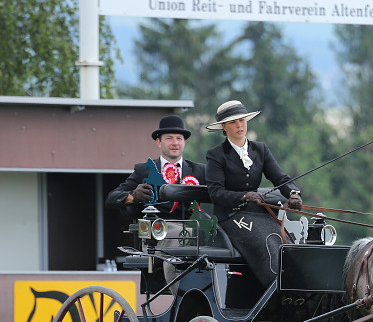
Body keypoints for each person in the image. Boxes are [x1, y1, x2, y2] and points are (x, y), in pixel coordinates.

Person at [205, 100, 303, 288]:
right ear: (224, 127)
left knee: (286, 243)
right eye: (233, 122)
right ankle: (277, 291)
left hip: (258, 213)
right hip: (230, 215)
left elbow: (280, 178)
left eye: (242, 120)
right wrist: (243, 196)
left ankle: (299, 290)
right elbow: (216, 193)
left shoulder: (260, 149)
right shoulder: (216, 155)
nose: (239, 125)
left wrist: (293, 193)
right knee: (265, 244)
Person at [106, 115, 206, 219]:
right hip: (155, 229)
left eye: (179, 138)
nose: (175, 143)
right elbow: (111, 198)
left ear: (184, 142)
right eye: (169, 138)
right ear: (159, 142)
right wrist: (133, 196)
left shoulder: (200, 170)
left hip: (190, 230)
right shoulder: (143, 170)